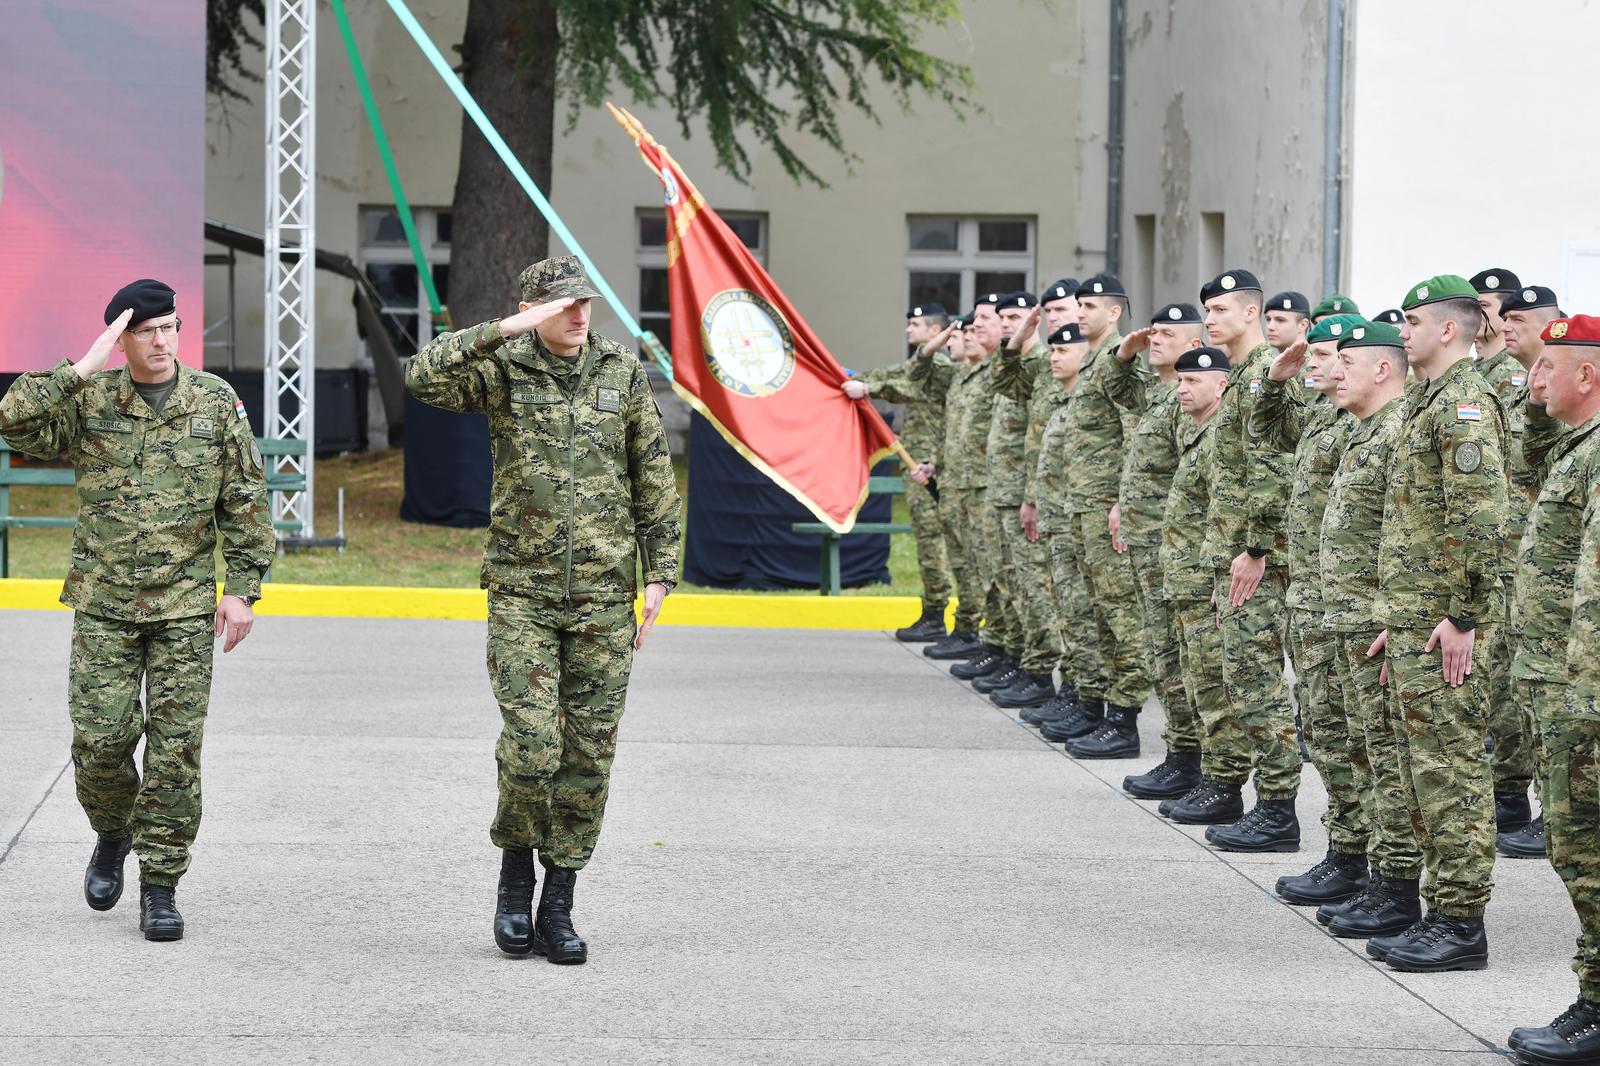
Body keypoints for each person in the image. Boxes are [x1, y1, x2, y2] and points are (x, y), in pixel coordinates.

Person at [405, 255, 682, 964]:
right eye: (562, 305)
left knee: (588, 756)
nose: (579, 314)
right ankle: (513, 876)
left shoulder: (619, 371)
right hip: (522, 592)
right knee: (532, 748)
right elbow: (423, 375)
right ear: (532, 311)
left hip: (602, 594)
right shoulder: (505, 369)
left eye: (585, 301)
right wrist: (501, 332)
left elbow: (652, 474)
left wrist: (660, 577)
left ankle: (559, 901)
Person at [0, 279, 275, 942]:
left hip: (183, 609)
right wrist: (84, 364)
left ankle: (160, 884)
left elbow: (244, 500)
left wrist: (240, 589)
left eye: (169, 328)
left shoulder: (213, 403)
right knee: (100, 742)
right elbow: (12, 417)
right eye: (145, 330)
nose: (160, 341)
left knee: (176, 752)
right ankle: (111, 831)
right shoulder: (90, 400)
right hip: (105, 606)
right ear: (122, 338)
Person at [1365, 274, 1509, 973]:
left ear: (1448, 329)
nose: (1404, 331)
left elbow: (1481, 522)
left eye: (1412, 320)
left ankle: (1460, 922)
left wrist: (1463, 616)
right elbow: (1421, 525)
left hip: (1446, 625)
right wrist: (1407, 615)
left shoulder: (1465, 407)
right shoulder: (1430, 402)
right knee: (1424, 771)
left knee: (1451, 772)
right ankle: (1435, 909)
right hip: (1419, 619)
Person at [1310, 321, 1425, 938]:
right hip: (1346, 619)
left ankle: (1397, 890)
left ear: (1383, 369)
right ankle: (1380, 879)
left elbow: (1410, 538)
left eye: (1347, 362)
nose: (1334, 372)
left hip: (1377, 625)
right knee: (1365, 756)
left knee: (1389, 759)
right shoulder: (1364, 432)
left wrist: (1397, 618)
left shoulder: (1398, 431)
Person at [1509, 315, 1600, 1064]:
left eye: (1546, 368)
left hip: (1584, 695)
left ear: (1586, 375)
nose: (1531, 381)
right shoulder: (1573, 447)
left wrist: (1588, 702)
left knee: (1588, 850)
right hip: (1555, 684)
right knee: (1576, 851)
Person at [1252, 316, 1364, 896]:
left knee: (1351, 738)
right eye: (1313, 354)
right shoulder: (1323, 415)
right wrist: (1275, 379)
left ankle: (1362, 861)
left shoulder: (1366, 425)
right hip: (1312, 598)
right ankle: (1345, 851)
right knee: (1324, 732)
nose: (1315, 363)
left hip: (1343, 602)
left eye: (1325, 354)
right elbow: (1265, 430)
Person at [1195, 269, 1302, 851]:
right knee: (1239, 678)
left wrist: (1255, 548)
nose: (1210, 319)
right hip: (1232, 550)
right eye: (1207, 309)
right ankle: (1264, 799)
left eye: (1221, 309)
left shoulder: (1266, 373)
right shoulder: (1239, 376)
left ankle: (1279, 809)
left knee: (1256, 682)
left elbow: (1271, 467)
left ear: (1251, 314)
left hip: (1255, 556)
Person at [1040, 274, 1148, 757]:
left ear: (1115, 312)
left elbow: (1134, 435)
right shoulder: (1092, 365)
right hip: (1079, 506)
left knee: (1118, 614)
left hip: (1104, 508)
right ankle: (1096, 705)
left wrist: (1122, 502)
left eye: (1090, 306)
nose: (1079, 313)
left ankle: (1124, 721)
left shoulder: (1119, 364)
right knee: (1094, 612)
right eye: (1078, 306)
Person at [1107, 303, 1205, 794]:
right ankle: (1180, 752)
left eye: (1168, 334)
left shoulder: (1192, 399)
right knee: (1162, 654)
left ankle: (1192, 759)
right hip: (1147, 545)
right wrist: (1124, 354)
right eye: (1154, 332)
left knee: (1177, 656)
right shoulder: (1160, 392)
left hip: (1172, 547)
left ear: (1195, 344)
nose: (1155, 340)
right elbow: (1113, 390)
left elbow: (1191, 480)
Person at [1484, 283, 1563, 856]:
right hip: (1511, 564)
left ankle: (1549, 810)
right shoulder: (1514, 393)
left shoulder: (1564, 391)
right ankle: (1515, 798)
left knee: (1545, 693)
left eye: (1519, 318)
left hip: (1550, 573)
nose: (1507, 326)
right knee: (1511, 692)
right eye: (1503, 318)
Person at [1156, 346, 1235, 821]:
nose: (1182, 389)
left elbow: (1226, 513)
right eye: (1180, 381)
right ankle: (1207, 774)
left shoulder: (1223, 434)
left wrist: (1215, 579)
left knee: (1213, 685)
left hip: (1205, 583)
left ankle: (1223, 785)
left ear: (1221, 384)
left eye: (1192, 382)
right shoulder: (1194, 431)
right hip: (1184, 580)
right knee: (1195, 683)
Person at [844, 303, 954, 643]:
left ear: (936, 332)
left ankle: (937, 613)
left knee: (933, 542)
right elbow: (896, 374)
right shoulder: (920, 364)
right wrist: (857, 378)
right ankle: (933, 610)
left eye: (917, 324)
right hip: (918, 462)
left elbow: (907, 387)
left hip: (929, 464)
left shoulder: (940, 365)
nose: (908, 328)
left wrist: (867, 388)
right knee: (926, 541)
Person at [1025, 323, 1109, 731]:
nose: (1054, 356)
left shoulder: (1091, 399)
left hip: (1084, 519)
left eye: (1063, 350)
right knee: (1069, 612)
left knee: (1084, 611)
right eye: (1052, 349)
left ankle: (1090, 700)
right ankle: (1076, 692)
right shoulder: (1063, 400)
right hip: (1060, 519)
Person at [978, 294, 1059, 706]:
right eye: (1004, 318)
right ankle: (1020, 658)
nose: (1009, 323)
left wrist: (1031, 494)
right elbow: (998, 380)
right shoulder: (1026, 366)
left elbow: (1041, 438)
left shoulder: (1051, 362)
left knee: (1035, 587)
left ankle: (1040, 671)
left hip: (1033, 495)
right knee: (1012, 582)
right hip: (1007, 490)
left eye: (1016, 317)